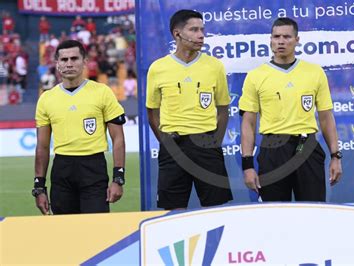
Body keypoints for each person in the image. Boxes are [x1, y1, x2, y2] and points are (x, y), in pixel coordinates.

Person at [239, 17, 342, 202]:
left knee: (313, 212)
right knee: (275, 214)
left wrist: (335, 156)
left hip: (307, 148)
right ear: (270, 40)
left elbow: (326, 117)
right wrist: (247, 165)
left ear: (297, 40)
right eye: (276, 36)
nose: (281, 41)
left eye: (286, 37)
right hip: (273, 151)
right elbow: (248, 123)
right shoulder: (255, 76)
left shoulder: (314, 72)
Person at [146, 10, 233, 210]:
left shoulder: (215, 66)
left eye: (202, 29)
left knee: (216, 209)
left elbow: (223, 108)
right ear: (177, 34)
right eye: (194, 30)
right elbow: (152, 112)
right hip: (173, 146)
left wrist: (214, 142)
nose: (201, 35)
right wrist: (167, 142)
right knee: (173, 211)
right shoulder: (158, 68)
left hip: (207, 146)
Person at [33, 40, 126, 215]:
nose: (69, 63)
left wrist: (118, 179)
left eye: (74, 58)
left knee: (97, 230)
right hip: (61, 170)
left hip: (94, 167)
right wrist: (39, 187)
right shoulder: (46, 98)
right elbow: (42, 147)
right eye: (64, 59)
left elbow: (118, 138)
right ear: (57, 64)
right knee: (65, 232)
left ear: (84, 61)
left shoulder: (102, 92)